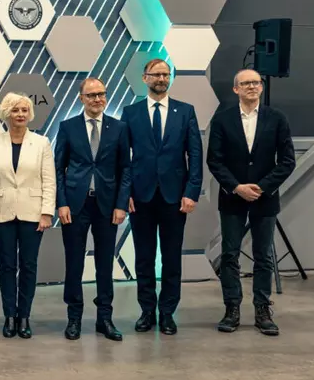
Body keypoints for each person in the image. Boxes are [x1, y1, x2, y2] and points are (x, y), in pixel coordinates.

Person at [207, 69, 295, 336]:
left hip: (264, 197)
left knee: (263, 255)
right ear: (236, 89)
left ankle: (262, 310)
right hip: (232, 197)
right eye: (245, 83)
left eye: (256, 82)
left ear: (261, 87)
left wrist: (263, 186)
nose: (252, 87)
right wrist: (236, 187)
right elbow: (215, 160)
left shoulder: (277, 118)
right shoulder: (222, 119)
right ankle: (232, 308)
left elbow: (287, 161)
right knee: (230, 255)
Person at [121, 59, 202, 336]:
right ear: (145, 78)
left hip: (175, 198)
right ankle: (147, 311)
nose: (162, 79)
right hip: (140, 197)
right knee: (144, 258)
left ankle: (167, 312)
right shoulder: (131, 113)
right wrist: (125, 193)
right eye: (156, 74)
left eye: (166, 74)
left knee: (171, 258)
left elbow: (195, 154)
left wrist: (191, 192)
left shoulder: (185, 111)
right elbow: (123, 158)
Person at [55, 77, 130, 342]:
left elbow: (125, 169)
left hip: (107, 206)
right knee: (74, 263)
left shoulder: (119, 127)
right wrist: (61, 202)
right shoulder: (68, 127)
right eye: (91, 95)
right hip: (75, 205)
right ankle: (74, 318)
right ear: (81, 98)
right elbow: (58, 169)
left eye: (101, 94)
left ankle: (104, 318)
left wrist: (121, 204)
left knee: (104, 264)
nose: (97, 99)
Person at [0, 92, 54, 339]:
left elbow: (49, 181)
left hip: (33, 214)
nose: (20, 114)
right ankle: (9, 316)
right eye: (15, 110)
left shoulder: (42, 143)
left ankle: (24, 317)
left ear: (30, 114)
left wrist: (46, 212)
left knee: (29, 266)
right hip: (2, 214)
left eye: (24, 110)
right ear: (6, 113)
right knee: (7, 266)